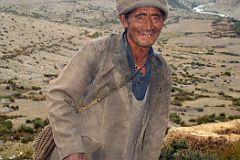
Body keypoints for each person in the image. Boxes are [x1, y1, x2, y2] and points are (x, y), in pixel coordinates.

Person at [47, 0, 171, 160]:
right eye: (140, 17)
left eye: (156, 17)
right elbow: (59, 97)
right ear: (124, 20)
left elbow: (156, 127)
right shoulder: (97, 52)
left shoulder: (161, 69)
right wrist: (71, 150)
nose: (149, 25)